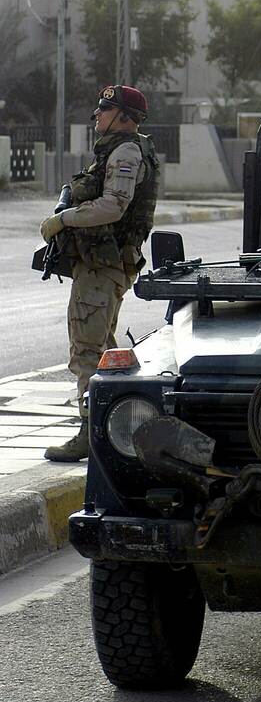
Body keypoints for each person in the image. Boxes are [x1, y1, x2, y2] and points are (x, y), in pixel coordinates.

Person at [40, 85, 159, 462]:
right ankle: (115, 429)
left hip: (103, 267)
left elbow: (113, 206)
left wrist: (61, 220)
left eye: (105, 108)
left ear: (125, 117)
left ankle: (89, 435)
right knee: (105, 351)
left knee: (88, 352)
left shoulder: (125, 150)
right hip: (101, 265)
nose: (97, 114)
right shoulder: (116, 149)